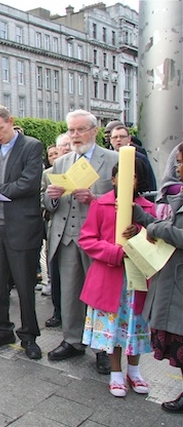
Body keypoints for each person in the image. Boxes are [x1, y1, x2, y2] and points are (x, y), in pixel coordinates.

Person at [43, 110, 117, 374]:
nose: (75, 135)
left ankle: (102, 348)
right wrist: (51, 197)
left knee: (99, 295)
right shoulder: (61, 163)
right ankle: (72, 340)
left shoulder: (112, 160)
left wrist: (95, 199)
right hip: (66, 237)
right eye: (71, 130)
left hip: (97, 239)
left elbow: (123, 201)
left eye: (80, 130)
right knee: (70, 293)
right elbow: (49, 204)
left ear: (94, 131)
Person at [79, 162, 154, 397]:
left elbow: (156, 242)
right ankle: (115, 372)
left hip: (138, 280)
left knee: (135, 324)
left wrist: (141, 234)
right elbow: (87, 239)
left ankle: (134, 370)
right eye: (122, 176)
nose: (126, 181)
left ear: (138, 181)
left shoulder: (148, 208)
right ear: (113, 179)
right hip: (108, 278)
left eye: (132, 177)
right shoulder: (101, 204)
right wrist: (114, 252)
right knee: (112, 327)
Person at [0, 104, 44, 360]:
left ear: (11, 121)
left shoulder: (32, 146)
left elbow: (28, 183)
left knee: (25, 286)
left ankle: (29, 336)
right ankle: (2, 329)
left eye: (0, 129)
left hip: (21, 228)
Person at [132, 142, 183, 412]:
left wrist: (161, 229)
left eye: (181, 163)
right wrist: (141, 216)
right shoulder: (176, 195)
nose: (177, 168)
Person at [42, 133, 72, 327]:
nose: (67, 148)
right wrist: (51, 198)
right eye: (63, 146)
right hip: (57, 229)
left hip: (83, 232)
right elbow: (42, 200)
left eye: (69, 145)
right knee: (57, 275)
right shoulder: (49, 173)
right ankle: (58, 312)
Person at [109, 125, 157, 193]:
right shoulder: (106, 158)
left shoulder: (140, 158)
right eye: (115, 137)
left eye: (122, 136)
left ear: (129, 138)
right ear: (110, 140)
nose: (118, 139)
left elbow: (150, 184)